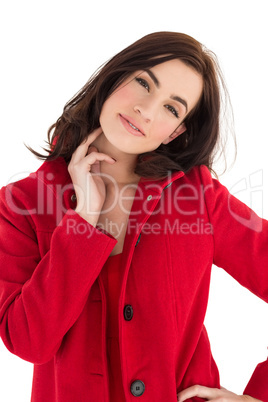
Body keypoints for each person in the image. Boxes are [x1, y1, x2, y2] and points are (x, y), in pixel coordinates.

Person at [0, 31, 267, 402]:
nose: (146, 109)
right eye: (143, 82)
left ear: (176, 131)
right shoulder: (21, 204)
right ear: (115, 77)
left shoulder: (198, 196)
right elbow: (29, 342)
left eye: (172, 108)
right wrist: (83, 222)